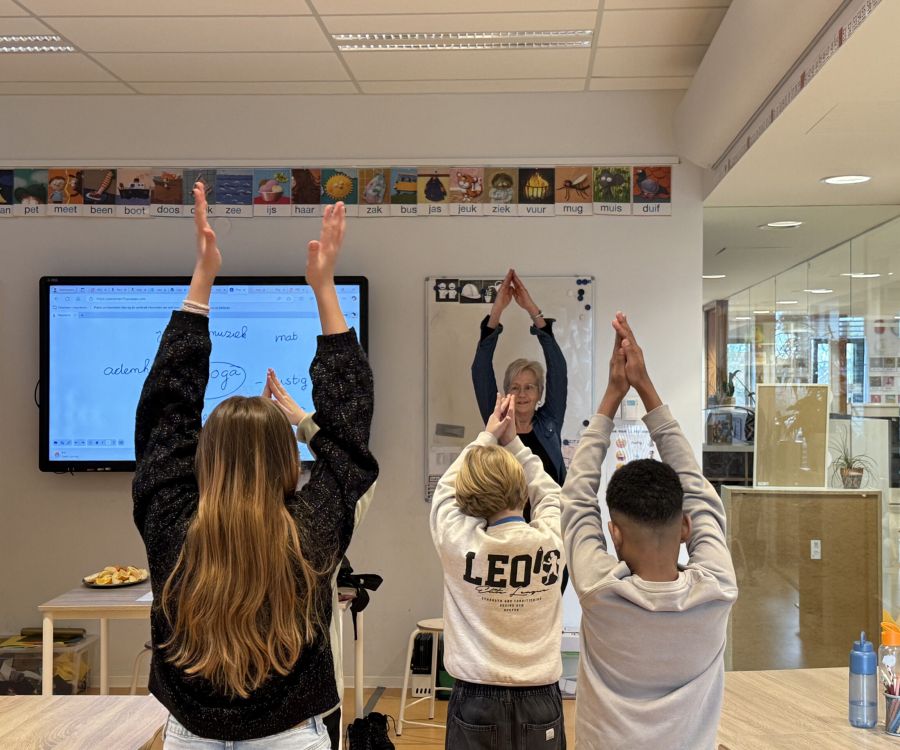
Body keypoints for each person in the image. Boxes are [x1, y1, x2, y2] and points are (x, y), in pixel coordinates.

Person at [132, 184, 378, 748]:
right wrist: (324, 288)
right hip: (289, 737)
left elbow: (165, 415)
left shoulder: (172, 524)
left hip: (190, 736)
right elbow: (348, 433)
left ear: (205, 458)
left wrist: (203, 279)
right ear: (287, 460)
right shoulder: (310, 530)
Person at [560, 312, 738, 749]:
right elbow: (697, 489)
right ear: (685, 526)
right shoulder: (717, 590)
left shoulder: (600, 591)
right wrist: (644, 387)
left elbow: (576, 498)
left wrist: (613, 394)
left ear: (614, 534)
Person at [430, 393, 567, 750]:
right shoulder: (552, 541)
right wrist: (515, 443)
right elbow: (552, 495)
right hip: (540, 698)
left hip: (476, 700)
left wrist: (487, 435)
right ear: (523, 489)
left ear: (470, 497)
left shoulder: (459, 542)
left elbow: (444, 491)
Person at [263, 368, 377, 750]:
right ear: (289, 464)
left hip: (223, 716)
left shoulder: (202, 527)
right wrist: (304, 423)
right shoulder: (317, 524)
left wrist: (252, 434)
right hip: (310, 713)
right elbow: (357, 474)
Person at [471, 269, 568, 495]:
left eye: (529, 387)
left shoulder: (550, 423)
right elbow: (480, 370)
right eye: (515, 387)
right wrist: (497, 311)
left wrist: (533, 310)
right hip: (506, 516)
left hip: (550, 514)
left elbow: (558, 370)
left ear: (540, 393)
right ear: (507, 393)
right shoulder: (497, 421)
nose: (522, 394)